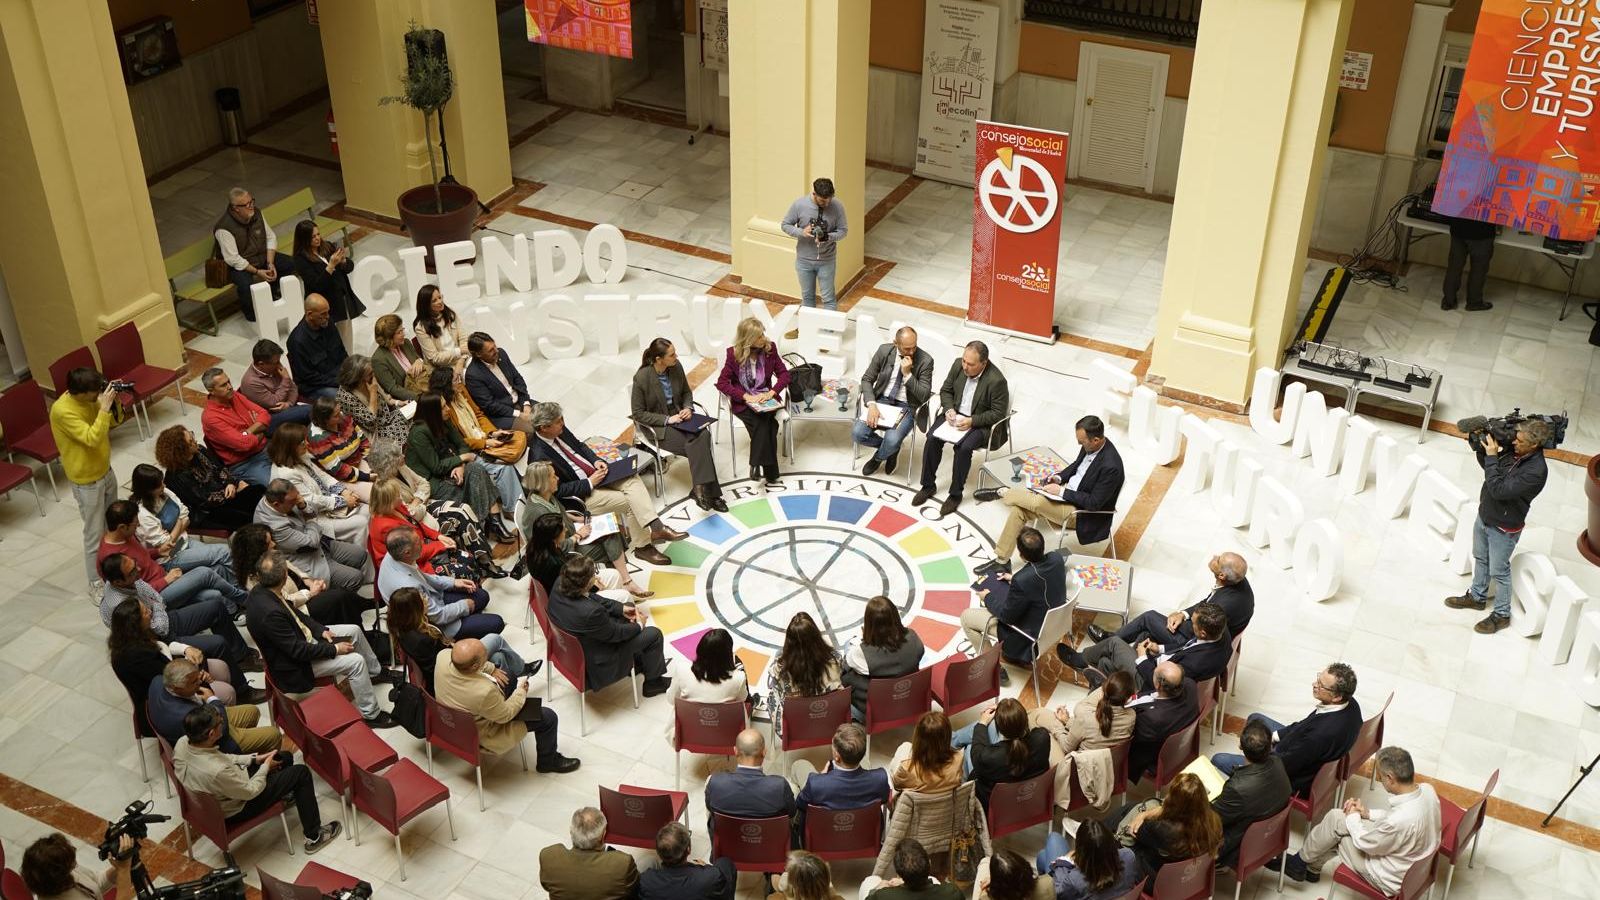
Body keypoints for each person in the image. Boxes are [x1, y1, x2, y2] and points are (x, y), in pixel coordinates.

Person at [243, 551, 397, 728]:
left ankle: (375, 672)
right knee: (356, 661)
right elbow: (298, 651)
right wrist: (335, 649)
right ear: (285, 576)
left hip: (305, 640)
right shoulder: (269, 613)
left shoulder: (263, 590)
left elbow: (295, 613)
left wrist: (319, 630)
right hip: (296, 665)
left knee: (354, 630)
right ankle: (372, 715)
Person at [528, 400, 687, 566]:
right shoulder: (538, 457)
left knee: (632, 478)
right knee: (632, 502)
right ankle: (644, 545)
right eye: (558, 422)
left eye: (562, 419)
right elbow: (555, 491)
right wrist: (589, 482)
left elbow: (580, 447)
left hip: (597, 473)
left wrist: (595, 460)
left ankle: (655, 527)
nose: (562, 424)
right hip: (583, 495)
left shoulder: (558, 428)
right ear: (544, 428)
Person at [173, 704, 341, 853]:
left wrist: (255, 759)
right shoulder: (216, 770)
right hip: (239, 805)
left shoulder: (183, 743)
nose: (223, 725)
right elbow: (249, 791)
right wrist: (265, 767)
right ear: (211, 733)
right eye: (220, 723)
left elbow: (222, 758)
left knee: (284, 757)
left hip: (223, 791)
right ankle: (314, 836)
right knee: (301, 773)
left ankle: (286, 794)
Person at [1272, 746, 1440, 891]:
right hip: (1410, 861)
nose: (1380, 780)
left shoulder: (1399, 821)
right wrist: (1367, 814)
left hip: (1385, 875)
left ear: (1390, 778)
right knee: (1338, 820)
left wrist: (1353, 816)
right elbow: (1395, 819)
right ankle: (1308, 867)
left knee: (1335, 824)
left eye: (1380, 777)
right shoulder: (1428, 790)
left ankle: (1301, 864)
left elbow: (1366, 844)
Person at [1445, 417, 1551, 634]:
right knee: (1481, 557)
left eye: (1519, 441)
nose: (1514, 443)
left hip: (1504, 526)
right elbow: (1488, 468)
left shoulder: (1536, 471)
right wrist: (1482, 447)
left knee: (1499, 570)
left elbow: (1499, 490)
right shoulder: (1515, 452)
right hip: (1486, 514)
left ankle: (1502, 614)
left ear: (1534, 445)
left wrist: (1493, 456)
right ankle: (1477, 597)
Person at [976, 415, 1123, 566]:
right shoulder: (1090, 444)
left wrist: (1060, 492)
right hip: (1067, 496)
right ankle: (1001, 560)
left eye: (1082, 441)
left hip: (1081, 513)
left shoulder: (1111, 467)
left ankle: (1003, 492)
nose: (1079, 443)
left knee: (1038, 501)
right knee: (1018, 510)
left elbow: (1094, 503)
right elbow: (1077, 466)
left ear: (1096, 440)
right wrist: (1059, 478)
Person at [98, 553, 257, 690]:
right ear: (117, 582)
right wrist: (155, 607)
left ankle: (240, 656)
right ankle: (242, 690)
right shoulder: (119, 604)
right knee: (218, 643)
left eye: (135, 565)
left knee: (216, 607)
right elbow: (159, 629)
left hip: (163, 619)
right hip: (158, 639)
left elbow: (157, 598)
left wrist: (155, 608)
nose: (138, 570)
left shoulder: (129, 579)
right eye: (132, 571)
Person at [1211, 663, 1362, 796]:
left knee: (1219, 759)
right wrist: (1274, 737)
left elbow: (1285, 766)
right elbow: (1303, 725)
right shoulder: (1350, 704)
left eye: (1321, 685)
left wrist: (1260, 751)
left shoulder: (1319, 736)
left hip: (1289, 775)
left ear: (1336, 697)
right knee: (1255, 719)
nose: (1314, 684)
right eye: (1318, 679)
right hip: (1298, 748)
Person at [435, 638, 580, 773]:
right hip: (483, 733)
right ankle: (548, 762)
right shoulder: (484, 692)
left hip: (453, 720)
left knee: (504, 669)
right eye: (484, 653)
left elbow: (474, 668)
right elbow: (505, 715)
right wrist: (521, 692)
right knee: (548, 717)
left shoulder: (443, 656)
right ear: (474, 666)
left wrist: (491, 668)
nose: (487, 651)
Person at [108, 595, 247, 724]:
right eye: (145, 612)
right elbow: (170, 679)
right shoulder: (136, 657)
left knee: (221, 667)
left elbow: (162, 646)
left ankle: (226, 710)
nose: (150, 612)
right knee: (228, 693)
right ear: (135, 624)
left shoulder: (137, 636)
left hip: (175, 676)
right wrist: (197, 674)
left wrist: (185, 649)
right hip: (169, 697)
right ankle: (222, 725)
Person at [369, 440, 504, 572]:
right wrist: (418, 503)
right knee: (457, 518)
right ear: (389, 463)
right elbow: (412, 514)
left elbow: (424, 483)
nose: (403, 456)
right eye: (398, 456)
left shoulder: (401, 467)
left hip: (425, 505)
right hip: (421, 518)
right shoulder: (386, 487)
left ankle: (484, 560)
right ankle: (475, 562)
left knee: (463, 509)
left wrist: (416, 500)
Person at [547, 554, 671, 695]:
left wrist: (621, 608)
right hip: (598, 662)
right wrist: (639, 625)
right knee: (653, 634)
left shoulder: (560, 583)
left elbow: (591, 597)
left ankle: (639, 662)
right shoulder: (591, 612)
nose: (596, 577)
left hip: (571, 650)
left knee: (627, 606)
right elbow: (616, 634)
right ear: (587, 583)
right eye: (594, 574)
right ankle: (654, 683)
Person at [98, 500, 247, 614]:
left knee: (219, 569)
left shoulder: (124, 535)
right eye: (134, 525)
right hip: (157, 594)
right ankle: (243, 601)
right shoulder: (110, 558)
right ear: (122, 527)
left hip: (163, 572)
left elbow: (141, 556)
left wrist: (157, 552)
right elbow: (133, 593)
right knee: (206, 577)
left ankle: (238, 597)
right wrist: (166, 580)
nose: (137, 527)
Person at [913, 341, 1009, 517]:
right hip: (954, 414)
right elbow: (946, 390)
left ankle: (955, 495)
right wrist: (949, 408)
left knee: (963, 448)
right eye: (964, 361)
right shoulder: (958, 364)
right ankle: (928, 486)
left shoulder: (997, 381)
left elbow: (997, 413)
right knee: (932, 438)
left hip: (979, 423)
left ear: (984, 363)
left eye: (970, 364)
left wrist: (972, 420)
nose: (965, 366)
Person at [961, 527, 1065, 686]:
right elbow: (1041, 579)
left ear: (1021, 555)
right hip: (1055, 626)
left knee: (966, 618)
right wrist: (1014, 578)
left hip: (1026, 637)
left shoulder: (1022, 581)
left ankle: (992, 668)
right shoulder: (1057, 558)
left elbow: (1006, 616)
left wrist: (987, 597)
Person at [406, 392, 517, 542]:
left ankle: (495, 523)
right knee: (478, 475)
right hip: (434, 483)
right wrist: (463, 458)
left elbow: (462, 445)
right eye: (443, 407)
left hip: (451, 470)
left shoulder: (442, 420)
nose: (448, 409)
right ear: (433, 412)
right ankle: (490, 523)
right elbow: (436, 467)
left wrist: (460, 464)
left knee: (477, 469)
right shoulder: (418, 434)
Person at [521, 463, 644, 594]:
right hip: (566, 553)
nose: (557, 478)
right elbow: (555, 548)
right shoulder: (538, 513)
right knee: (611, 542)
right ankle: (624, 582)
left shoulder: (543, 495)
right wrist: (578, 536)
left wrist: (576, 519)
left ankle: (622, 581)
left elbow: (559, 512)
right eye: (553, 476)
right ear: (544, 483)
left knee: (612, 531)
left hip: (571, 533)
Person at [632, 337, 725, 510]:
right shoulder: (642, 378)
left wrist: (688, 407)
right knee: (699, 443)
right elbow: (638, 414)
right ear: (659, 359)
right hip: (659, 427)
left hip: (681, 418)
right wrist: (667, 420)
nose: (676, 356)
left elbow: (686, 392)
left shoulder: (676, 367)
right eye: (672, 354)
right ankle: (711, 494)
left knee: (702, 435)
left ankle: (699, 489)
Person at [1058, 602, 1231, 692]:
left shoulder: (1197, 662)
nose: (1188, 625)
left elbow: (1162, 682)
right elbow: (1185, 648)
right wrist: (1160, 648)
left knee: (1114, 644)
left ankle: (1081, 660)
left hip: (1151, 681)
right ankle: (1101, 679)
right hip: (1164, 662)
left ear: (1202, 633)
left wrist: (1141, 658)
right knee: (1105, 661)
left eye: (1192, 624)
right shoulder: (1221, 632)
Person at [389, 587, 535, 693]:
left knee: (499, 657)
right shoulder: (421, 639)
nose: (427, 599)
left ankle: (507, 689)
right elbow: (447, 665)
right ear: (414, 609)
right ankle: (522, 669)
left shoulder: (403, 628)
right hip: (452, 672)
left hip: (449, 660)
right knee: (495, 639)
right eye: (422, 599)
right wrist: (487, 667)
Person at [50, 367, 121, 587]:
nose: (97, 396)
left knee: (115, 524)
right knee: (94, 534)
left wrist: (113, 402)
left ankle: (118, 566)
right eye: (94, 393)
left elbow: (112, 423)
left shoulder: (91, 400)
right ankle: (96, 583)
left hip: (105, 471)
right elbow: (91, 438)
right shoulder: (62, 411)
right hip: (87, 481)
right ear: (80, 392)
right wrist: (104, 407)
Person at [229, 522, 373, 629]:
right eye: (269, 543)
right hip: (297, 611)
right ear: (256, 549)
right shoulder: (255, 578)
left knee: (341, 597)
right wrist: (310, 593)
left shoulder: (269, 556)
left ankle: (359, 611)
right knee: (339, 597)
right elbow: (283, 601)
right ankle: (362, 616)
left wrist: (310, 582)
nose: (274, 544)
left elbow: (295, 570)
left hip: (304, 593)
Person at [1093, 552, 1253, 646]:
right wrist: (1183, 614)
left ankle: (1109, 642)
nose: (1214, 556)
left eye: (1218, 560)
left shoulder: (1225, 604)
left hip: (1194, 643)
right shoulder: (1238, 579)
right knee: (1146, 635)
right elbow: (1207, 602)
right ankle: (1114, 646)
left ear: (1222, 575)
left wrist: (1178, 623)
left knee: (1149, 619)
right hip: (1208, 634)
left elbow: (1197, 631)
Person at [378, 526, 503, 640]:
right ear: (407, 553)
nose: (422, 543)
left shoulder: (392, 555)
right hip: (434, 623)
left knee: (482, 596)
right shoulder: (409, 586)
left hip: (432, 600)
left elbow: (421, 576)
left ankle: (470, 620)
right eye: (418, 542)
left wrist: (453, 582)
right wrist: (464, 606)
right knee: (497, 622)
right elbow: (438, 616)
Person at [128, 463, 240, 588]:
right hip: (169, 558)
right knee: (224, 552)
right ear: (148, 490)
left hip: (184, 541)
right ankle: (240, 590)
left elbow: (185, 512)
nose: (163, 486)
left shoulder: (163, 491)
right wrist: (180, 523)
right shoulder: (141, 513)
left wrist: (177, 528)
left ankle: (233, 599)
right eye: (159, 485)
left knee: (219, 567)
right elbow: (166, 545)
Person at [254, 479, 374, 591]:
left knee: (360, 555)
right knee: (355, 578)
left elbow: (313, 509)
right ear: (276, 504)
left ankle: (343, 586)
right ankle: (343, 599)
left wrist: (303, 506)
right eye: (293, 501)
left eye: (297, 496)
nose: (297, 500)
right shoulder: (274, 526)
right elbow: (311, 543)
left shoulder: (285, 500)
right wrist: (310, 520)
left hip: (320, 543)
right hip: (308, 559)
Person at [369, 477, 498, 581]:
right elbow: (411, 554)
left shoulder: (395, 508)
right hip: (414, 567)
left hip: (423, 548)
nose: (400, 497)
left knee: (469, 558)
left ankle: (484, 567)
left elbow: (417, 525)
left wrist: (438, 536)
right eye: (397, 495)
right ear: (388, 501)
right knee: (467, 570)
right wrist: (440, 545)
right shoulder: (385, 527)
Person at [432, 368, 523, 514]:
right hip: (471, 448)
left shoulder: (461, 391)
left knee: (513, 446)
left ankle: (519, 500)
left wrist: (492, 432)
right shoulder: (444, 409)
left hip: (483, 436)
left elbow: (478, 415)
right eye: (455, 380)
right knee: (504, 467)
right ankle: (513, 509)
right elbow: (459, 441)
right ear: (446, 386)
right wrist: (485, 443)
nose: (459, 382)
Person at [147, 658, 281, 753]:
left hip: (207, 722)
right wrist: (213, 699)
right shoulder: (187, 715)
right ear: (177, 688)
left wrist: (202, 682)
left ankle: (249, 756)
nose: (199, 682)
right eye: (194, 682)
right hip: (216, 742)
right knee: (274, 734)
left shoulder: (157, 680)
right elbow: (221, 731)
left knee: (252, 711)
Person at [715, 317, 790, 485]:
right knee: (768, 425)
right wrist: (745, 397)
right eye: (759, 336)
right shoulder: (733, 354)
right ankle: (771, 472)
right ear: (748, 340)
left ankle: (755, 464)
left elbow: (785, 375)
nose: (764, 338)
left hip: (767, 398)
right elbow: (722, 383)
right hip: (744, 402)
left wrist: (772, 392)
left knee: (763, 422)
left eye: (763, 333)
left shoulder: (770, 349)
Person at [267, 422, 368, 545]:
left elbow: (322, 476)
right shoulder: (285, 474)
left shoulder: (299, 454)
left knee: (368, 510)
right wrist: (343, 501)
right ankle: (361, 555)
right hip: (316, 517)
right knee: (361, 523)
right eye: (303, 443)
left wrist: (344, 491)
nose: (307, 444)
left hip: (330, 501)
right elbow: (310, 500)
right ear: (290, 447)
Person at [854, 327, 935, 477]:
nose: (911, 352)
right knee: (858, 433)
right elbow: (867, 379)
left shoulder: (925, 360)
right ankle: (892, 449)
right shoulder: (885, 351)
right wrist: (872, 405)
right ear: (895, 343)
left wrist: (907, 375)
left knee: (892, 439)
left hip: (907, 406)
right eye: (907, 348)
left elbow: (924, 395)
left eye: (914, 347)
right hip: (882, 401)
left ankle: (878, 457)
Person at [155, 425, 266, 533]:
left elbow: (220, 468)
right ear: (181, 451)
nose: (195, 441)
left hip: (224, 492)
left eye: (192, 436)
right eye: (190, 442)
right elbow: (204, 501)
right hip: (207, 511)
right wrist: (232, 492)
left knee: (259, 492)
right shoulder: (177, 476)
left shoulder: (200, 450)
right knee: (249, 516)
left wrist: (231, 483)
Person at [1121, 773, 1222, 891]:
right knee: (1128, 808)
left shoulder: (1161, 829)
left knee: (1122, 841)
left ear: (1173, 801)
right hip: (1192, 877)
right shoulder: (1213, 819)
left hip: (1160, 881)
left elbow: (1135, 831)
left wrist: (1144, 814)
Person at [1212, 719, 1291, 868]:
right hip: (1270, 832)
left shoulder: (1237, 788)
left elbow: (1213, 819)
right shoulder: (1277, 762)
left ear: (1240, 746)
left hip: (1238, 843)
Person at [791, 723, 891, 837]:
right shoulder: (880, 779)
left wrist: (821, 777)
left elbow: (800, 804)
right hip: (864, 838)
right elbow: (884, 798)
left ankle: (795, 829)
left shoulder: (816, 783)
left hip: (823, 840)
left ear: (837, 756)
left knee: (799, 765)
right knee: (866, 763)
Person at [956, 697, 1051, 809]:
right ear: (1025, 720)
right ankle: (951, 739)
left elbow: (977, 751)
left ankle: (948, 739)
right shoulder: (1042, 738)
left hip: (994, 808)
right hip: (1031, 801)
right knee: (978, 738)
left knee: (971, 745)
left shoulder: (989, 758)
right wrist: (1011, 715)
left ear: (1000, 730)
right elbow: (1032, 732)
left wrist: (982, 723)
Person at [842, 595, 925, 716]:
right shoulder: (913, 637)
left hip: (880, 706)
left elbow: (847, 667)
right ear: (895, 617)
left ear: (869, 624)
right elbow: (919, 653)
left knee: (847, 646)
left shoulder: (861, 654)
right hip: (909, 695)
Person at [1028, 670, 1137, 762]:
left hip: (1076, 766)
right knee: (1040, 715)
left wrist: (1057, 725)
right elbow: (1092, 732)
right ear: (1128, 699)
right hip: (1103, 765)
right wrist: (1067, 720)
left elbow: (1066, 747)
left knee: (1040, 718)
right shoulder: (1131, 717)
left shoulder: (1087, 718)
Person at [766, 612, 844, 740]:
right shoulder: (835, 659)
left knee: (772, 695)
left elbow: (777, 691)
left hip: (793, 729)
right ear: (816, 637)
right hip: (829, 721)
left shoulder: (779, 669)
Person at [664, 627, 749, 740]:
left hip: (686, 735)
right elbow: (742, 701)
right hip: (727, 735)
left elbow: (671, 699)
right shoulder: (738, 678)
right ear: (728, 654)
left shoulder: (682, 670)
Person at [290, 220, 363, 350]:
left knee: (345, 333)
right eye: (313, 237)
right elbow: (316, 285)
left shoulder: (327, 246)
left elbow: (349, 267)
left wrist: (344, 261)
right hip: (324, 303)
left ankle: (348, 360)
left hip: (341, 298)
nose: (317, 238)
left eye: (318, 234)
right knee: (328, 338)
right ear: (304, 239)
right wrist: (330, 266)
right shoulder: (300, 259)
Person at [538, 807, 640, 900]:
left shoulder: (549, 857)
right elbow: (634, 886)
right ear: (603, 835)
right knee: (649, 860)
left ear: (571, 832)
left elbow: (546, 885)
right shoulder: (622, 863)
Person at [704, 728, 796, 829]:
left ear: (735, 751)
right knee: (793, 789)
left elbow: (710, 807)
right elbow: (792, 812)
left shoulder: (716, 782)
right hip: (770, 841)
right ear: (764, 752)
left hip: (728, 839)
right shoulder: (779, 786)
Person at [780, 177, 849, 310]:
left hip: (827, 261)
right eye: (823, 200)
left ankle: (828, 331)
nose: (827, 203)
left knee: (829, 299)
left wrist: (828, 236)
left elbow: (843, 231)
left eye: (830, 198)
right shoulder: (799, 205)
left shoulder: (838, 206)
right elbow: (785, 225)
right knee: (807, 298)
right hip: (804, 261)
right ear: (814, 194)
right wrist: (801, 232)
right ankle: (808, 330)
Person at [213, 187, 281, 321]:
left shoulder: (257, 213)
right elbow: (234, 259)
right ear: (236, 208)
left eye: (252, 201)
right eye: (247, 204)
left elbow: (270, 237)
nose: (252, 206)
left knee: (290, 264)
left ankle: (274, 293)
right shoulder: (224, 228)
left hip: (260, 256)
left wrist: (270, 263)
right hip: (239, 266)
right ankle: (251, 315)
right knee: (245, 285)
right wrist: (257, 272)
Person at [199, 368, 272, 487]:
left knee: (298, 462)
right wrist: (260, 430)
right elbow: (244, 445)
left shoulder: (234, 396)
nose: (230, 387)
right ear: (211, 390)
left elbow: (265, 414)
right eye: (223, 385)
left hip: (265, 447)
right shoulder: (211, 418)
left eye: (229, 382)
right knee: (279, 486)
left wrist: (247, 431)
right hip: (245, 463)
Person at [1033, 819, 1139, 900]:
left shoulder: (1075, 880)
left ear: (1080, 851)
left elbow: (1058, 890)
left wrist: (1064, 860)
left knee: (1053, 838)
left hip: (1063, 888)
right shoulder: (1129, 856)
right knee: (1042, 855)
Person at [1128, 662, 1197, 781]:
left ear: (1158, 685)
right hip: (1180, 747)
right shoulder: (1190, 685)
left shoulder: (1152, 719)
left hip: (1148, 756)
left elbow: (1129, 737)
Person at [21, 832, 133, 900]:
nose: (75, 864)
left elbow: (97, 882)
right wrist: (124, 870)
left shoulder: (63, 871)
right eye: (71, 863)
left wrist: (118, 867)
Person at [639, 821, 735, 900]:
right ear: (688, 849)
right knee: (725, 863)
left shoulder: (645, 881)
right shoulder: (710, 877)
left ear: (659, 853)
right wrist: (706, 868)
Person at [335, 354, 412, 446]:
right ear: (358, 379)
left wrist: (399, 402)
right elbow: (370, 422)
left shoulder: (370, 379)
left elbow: (386, 399)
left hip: (388, 419)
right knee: (410, 437)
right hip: (375, 432)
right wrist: (373, 393)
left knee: (419, 419)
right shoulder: (346, 397)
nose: (373, 375)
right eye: (369, 374)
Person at [464, 331, 533, 431]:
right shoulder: (473, 375)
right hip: (502, 415)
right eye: (491, 350)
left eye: (495, 346)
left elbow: (517, 379)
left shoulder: (501, 354)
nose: (496, 351)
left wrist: (526, 404)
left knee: (552, 415)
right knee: (531, 429)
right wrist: (519, 414)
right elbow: (489, 405)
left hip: (520, 402)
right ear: (479, 354)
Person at [306, 397, 372, 501]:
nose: (341, 416)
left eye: (339, 411)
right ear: (325, 420)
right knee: (377, 494)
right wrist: (366, 477)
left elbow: (362, 438)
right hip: (341, 475)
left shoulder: (343, 417)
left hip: (358, 460)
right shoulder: (318, 438)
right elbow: (337, 469)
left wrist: (368, 459)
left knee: (386, 478)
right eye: (336, 416)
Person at [238, 339, 311, 431]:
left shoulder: (271, 368)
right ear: (261, 364)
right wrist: (286, 379)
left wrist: (289, 403)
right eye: (276, 362)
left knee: (321, 408)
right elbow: (274, 403)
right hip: (269, 418)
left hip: (288, 406)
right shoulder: (250, 382)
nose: (279, 365)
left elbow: (293, 387)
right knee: (310, 410)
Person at [889, 711, 966, 793]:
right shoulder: (959, 758)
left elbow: (896, 785)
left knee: (905, 746)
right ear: (948, 736)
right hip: (946, 803)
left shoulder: (907, 769)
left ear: (918, 737)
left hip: (915, 804)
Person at [287, 295, 347, 400]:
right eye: (323, 314)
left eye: (328, 312)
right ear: (310, 314)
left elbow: (341, 352)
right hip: (316, 386)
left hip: (337, 374)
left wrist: (350, 371)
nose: (327, 316)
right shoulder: (297, 342)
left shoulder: (327, 323)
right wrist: (338, 381)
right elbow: (308, 377)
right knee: (345, 396)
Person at [860, 839, 964, 899]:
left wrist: (878, 888)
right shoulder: (952, 893)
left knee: (871, 880)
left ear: (899, 873)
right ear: (929, 863)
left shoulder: (883, 895)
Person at [1440, 214, 1497, 311]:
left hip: (1458, 228)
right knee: (1479, 270)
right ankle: (1474, 302)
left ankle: (1448, 301)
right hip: (1482, 232)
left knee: (1454, 266)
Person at [414, 285, 469, 378]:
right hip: (443, 368)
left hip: (462, 358)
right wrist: (458, 351)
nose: (440, 302)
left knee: (484, 365)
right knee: (472, 376)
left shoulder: (450, 314)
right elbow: (435, 358)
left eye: (440, 297)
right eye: (434, 301)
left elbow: (464, 339)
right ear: (426, 305)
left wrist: (461, 360)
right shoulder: (421, 328)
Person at [372, 313, 430, 401]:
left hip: (425, 385)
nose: (404, 334)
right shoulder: (378, 359)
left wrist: (419, 360)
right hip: (409, 398)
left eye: (402, 329)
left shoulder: (406, 343)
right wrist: (420, 398)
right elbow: (393, 389)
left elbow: (419, 362)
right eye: (399, 332)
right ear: (389, 337)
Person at [976, 848, 1053, 900]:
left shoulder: (984, 897)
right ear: (1026, 867)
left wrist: (991, 883)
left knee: (985, 861)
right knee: (1043, 853)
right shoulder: (1050, 883)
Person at [769, 850, 845, 900]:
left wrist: (773, 874)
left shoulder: (786, 880)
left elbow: (776, 883)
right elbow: (832, 894)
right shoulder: (826, 884)